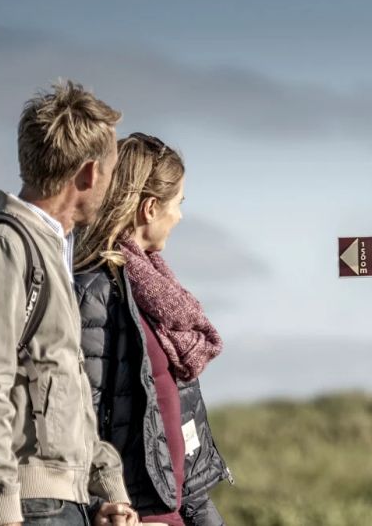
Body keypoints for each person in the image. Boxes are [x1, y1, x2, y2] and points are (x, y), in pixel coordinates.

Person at [0, 80, 139, 526]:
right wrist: (3, 511)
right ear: (88, 174)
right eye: (110, 172)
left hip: (56, 506)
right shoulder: (2, 247)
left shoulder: (47, 250)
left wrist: (105, 492)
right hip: (24, 509)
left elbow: (64, 389)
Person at [72, 132, 230, 526]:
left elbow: (180, 434)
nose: (180, 216)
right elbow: (76, 419)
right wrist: (97, 510)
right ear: (150, 208)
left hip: (172, 512)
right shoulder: (95, 292)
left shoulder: (156, 297)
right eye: (178, 204)